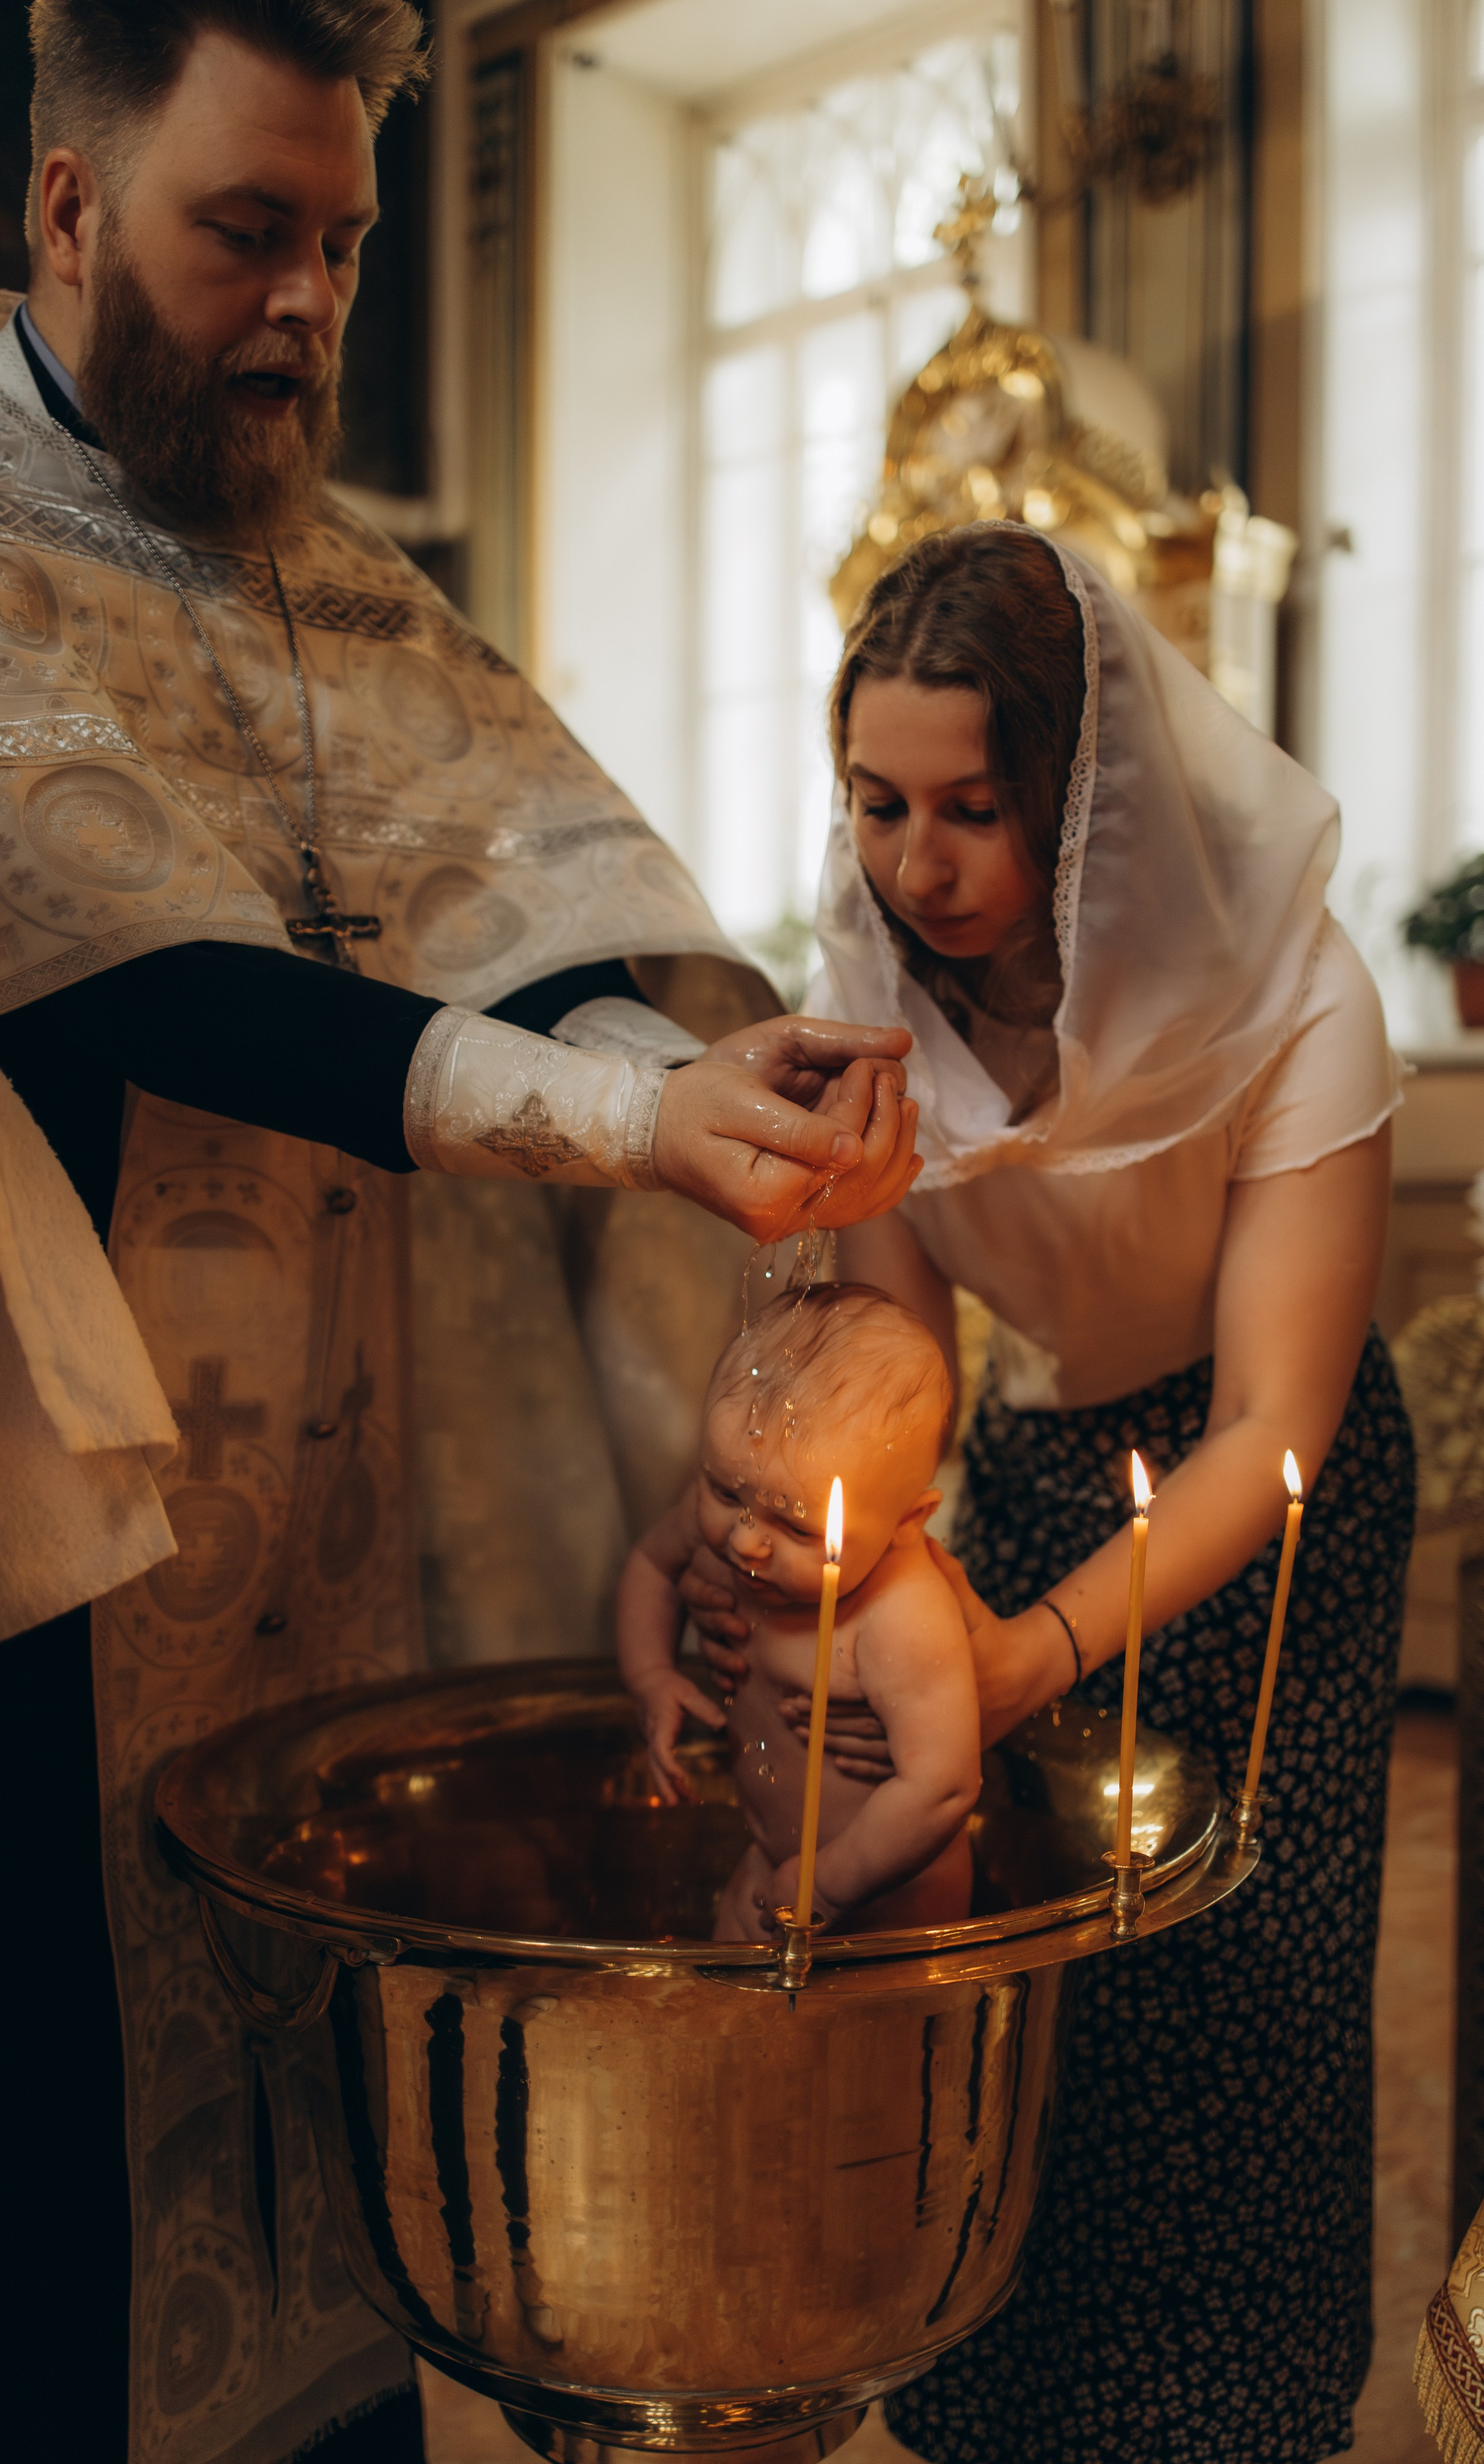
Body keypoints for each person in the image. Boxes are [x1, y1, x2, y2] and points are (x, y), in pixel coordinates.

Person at [0, 7, 924, 2458]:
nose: (310, 306)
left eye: (341, 244)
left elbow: (518, 898)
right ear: (63, 210)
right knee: (37, 2268)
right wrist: (622, 1111)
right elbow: (154, 966)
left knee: (331, 2265)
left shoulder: (334, 586)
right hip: (51, 1583)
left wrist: (712, 1073)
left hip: (345, 1576)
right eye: (247, 229)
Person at [688, 524, 1416, 2463]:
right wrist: (801, 1525)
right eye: (871, 803)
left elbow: (1271, 1422)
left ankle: (1224, 2420)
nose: (910, 866)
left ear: (1081, 798)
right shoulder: (879, 976)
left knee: (1227, 1985)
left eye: (969, 811)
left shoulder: (1297, 994)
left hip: (1275, 1518)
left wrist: (1030, 1655)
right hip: (1024, 1470)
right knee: (1007, 1975)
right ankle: (998, 2393)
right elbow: (900, 1343)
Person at [616, 1283, 979, 1940]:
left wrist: (831, 1885)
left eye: (795, 1526)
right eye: (724, 1490)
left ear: (908, 1521)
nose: (745, 1539)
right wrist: (651, 1676)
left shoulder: (902, 1618)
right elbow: (650, 1564)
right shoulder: (739, 1512)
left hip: (889, 1899)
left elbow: (943, 1787)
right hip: (771, 1860)